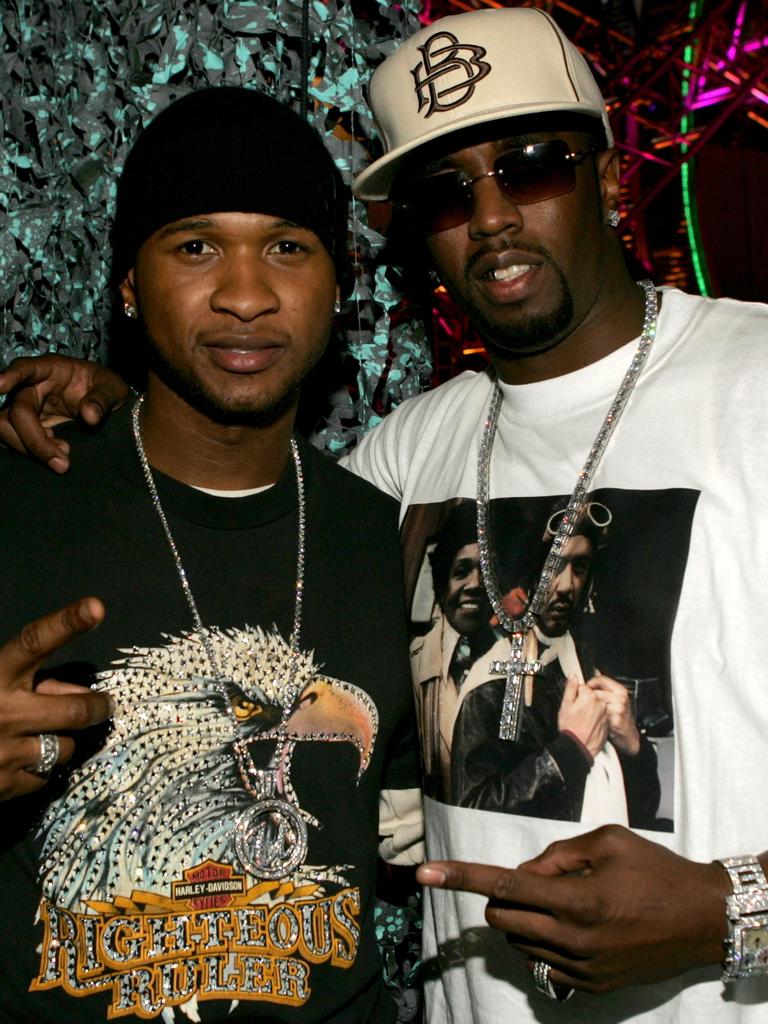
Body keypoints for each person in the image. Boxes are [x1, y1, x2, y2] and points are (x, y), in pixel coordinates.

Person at [3, 6, 768, 1023]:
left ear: (613, 177)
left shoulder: (755, 381)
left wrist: (733, 912)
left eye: (532, 163)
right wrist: (113, 401)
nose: (490, 216)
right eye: (444, 190)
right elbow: (215, 477)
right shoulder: (401, 467)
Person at [0, 86, 423, 1024]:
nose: (245, 295)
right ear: (126, 284)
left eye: (286, 246)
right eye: (195, 246)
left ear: (341, 282)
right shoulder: (19, 495)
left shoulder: (377, 532)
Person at [451, 500, 662, 830]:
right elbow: (472, 816)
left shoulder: (591, 665)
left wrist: (634, 746)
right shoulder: (493, 680)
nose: (566, 586)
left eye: (579, 568)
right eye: (553, 567)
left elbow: (642, 810)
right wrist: (568, 753)